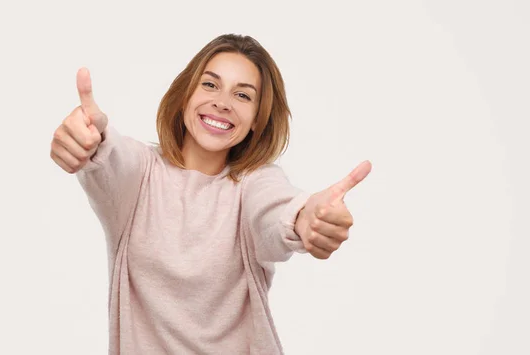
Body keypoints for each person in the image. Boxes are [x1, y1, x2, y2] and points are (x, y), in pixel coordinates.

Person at [50, 34, 371, 355]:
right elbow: (111, 156)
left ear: (258, 121)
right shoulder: (139, 175)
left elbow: (277, 211)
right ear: (186, 93)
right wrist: (89, 140)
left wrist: (306, 218)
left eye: (243, 95)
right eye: (210, 85)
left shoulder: (254, 184)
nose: (223, 102)